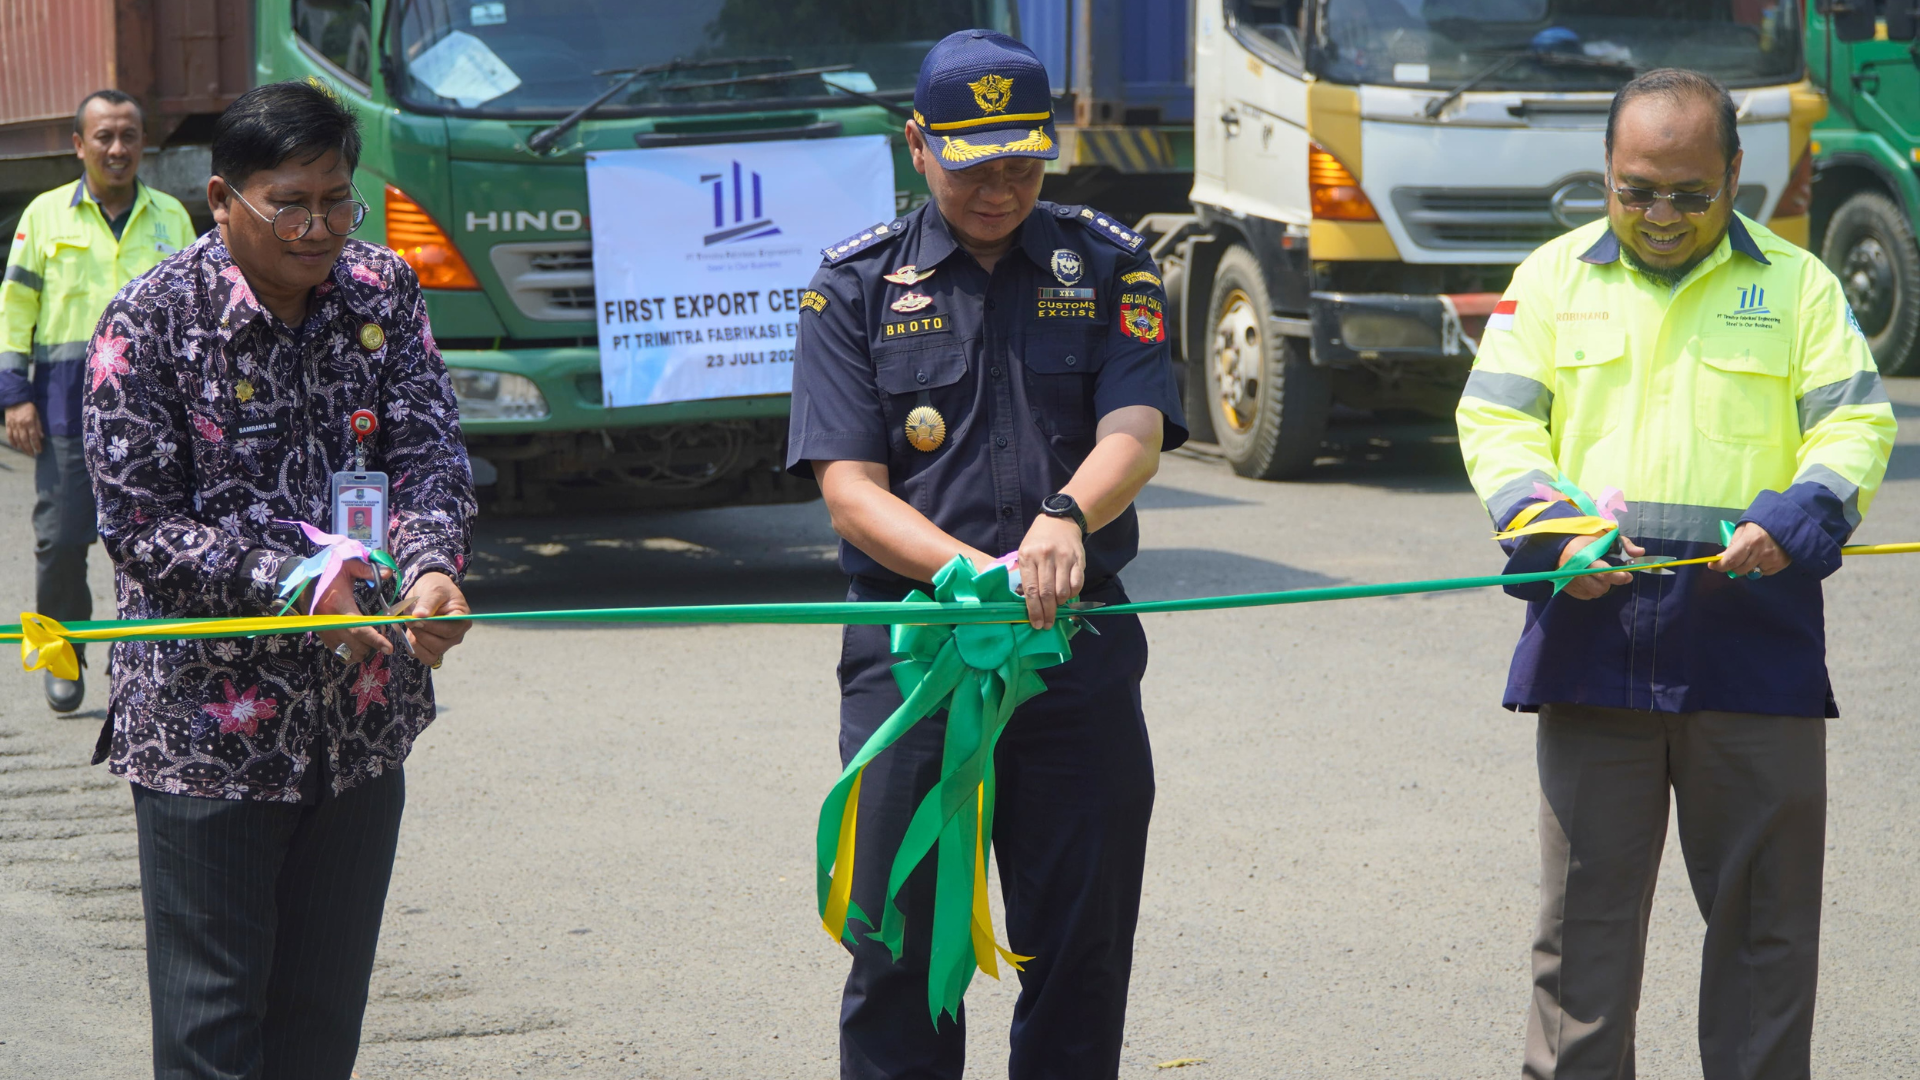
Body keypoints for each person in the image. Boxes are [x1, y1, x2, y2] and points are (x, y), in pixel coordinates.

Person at [1455, 69, 1896, 1080]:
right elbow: (1497, 419)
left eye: (1690, 194)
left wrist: (1794, 520)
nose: (1659, 215)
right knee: (1582, 943)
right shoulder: (1553, 279)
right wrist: (1553, 527)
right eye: (1635, 189)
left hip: (1750, 642)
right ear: (1606, 174)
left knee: (1766, 935)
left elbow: (1856, 421)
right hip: (1593, 636)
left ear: (1736, 176)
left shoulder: (1798, 286)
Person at [786, 30, 1187, 1080]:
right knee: (901, 955)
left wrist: (1064, 517)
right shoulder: (854, 286)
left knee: (1082, 959)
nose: (1001, 189)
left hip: (1074, 656)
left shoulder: (1109, 262)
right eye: (973, 166)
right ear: (917, 144)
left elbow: (1135, 429)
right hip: (916, 661)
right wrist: (964, 575)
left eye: (1022, 163)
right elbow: (849, 489)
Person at [83, 80, 477, 1079]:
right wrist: (294, 584)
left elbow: (430, 454)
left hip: (360, 720)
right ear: (224, 199)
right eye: (289, 203)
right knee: (213, 1030)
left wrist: (432, 566)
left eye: (337, 200)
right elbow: (139, 525)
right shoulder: (153, 319)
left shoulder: (382, 290)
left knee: (319, 1025)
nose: (318, 228)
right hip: (210, 733)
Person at [1, 89, 193, 712]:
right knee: (60, 541)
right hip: (64, 408)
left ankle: (164, 663)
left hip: (157, 415)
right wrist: (14, 396)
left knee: (163, 538)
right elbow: (14, 312)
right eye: (103, 137)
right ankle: (62, 655)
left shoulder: (174, 218)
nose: (117, 148)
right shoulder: (44, 215)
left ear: (144, 144)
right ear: (79, 145)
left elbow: (197, 315)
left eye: (129, 136)